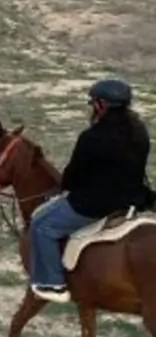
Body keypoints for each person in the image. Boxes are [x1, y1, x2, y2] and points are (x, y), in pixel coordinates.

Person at [28, 78, 154, 303]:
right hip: (132, 200)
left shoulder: (92, 137)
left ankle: (52, 283)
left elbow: (73, 176)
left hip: (93, 206)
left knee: (42, 226)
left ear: (100, 106)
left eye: (93, 104)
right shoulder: (140, 132)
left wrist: (67, 188)